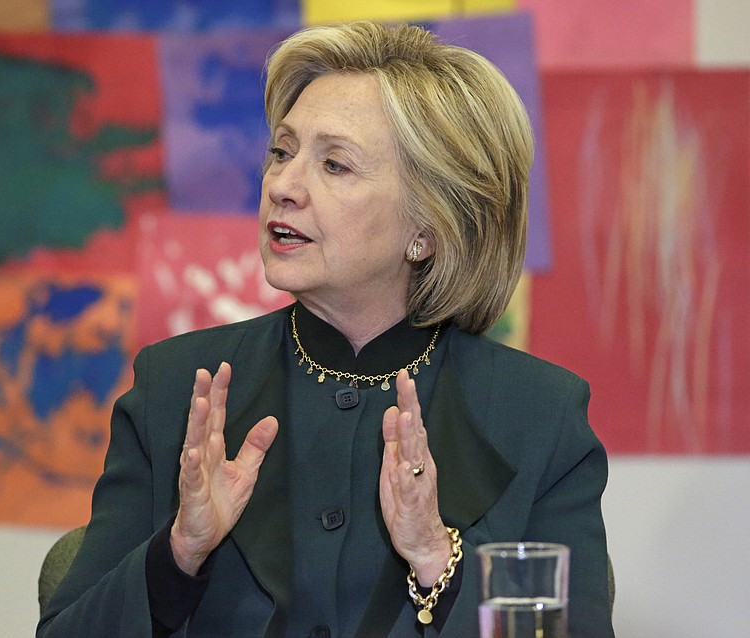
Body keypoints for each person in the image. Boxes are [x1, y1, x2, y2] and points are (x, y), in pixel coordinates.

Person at [37, 21, 614, 638]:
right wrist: (179, 552)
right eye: (282, 152)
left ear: (428, 229)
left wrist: (436, 559)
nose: (282, 186)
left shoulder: (539, 415)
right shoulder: (178, 388)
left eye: (334, 165)